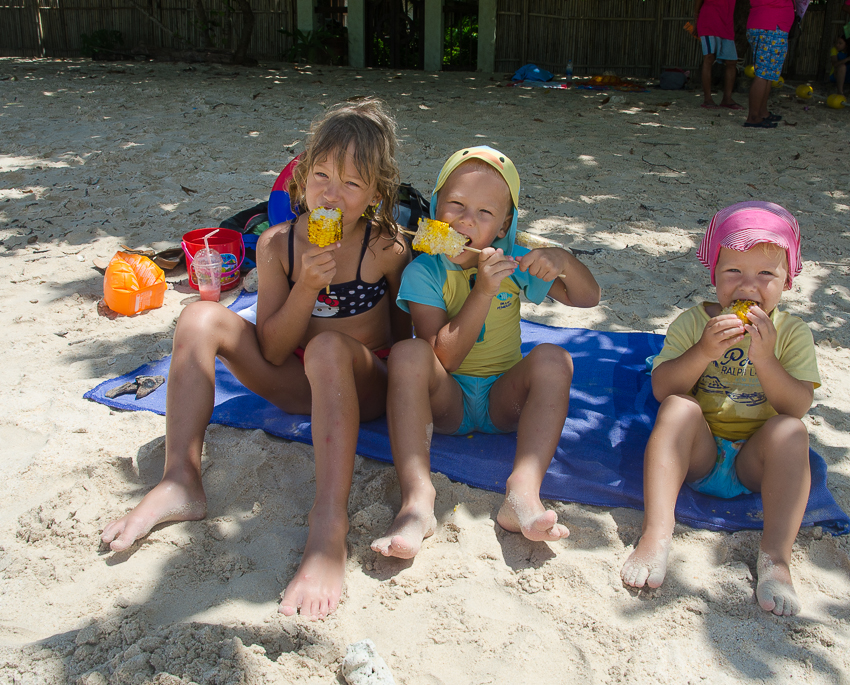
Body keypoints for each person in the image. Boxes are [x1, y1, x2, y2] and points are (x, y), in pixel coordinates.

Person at [101, 98, 412, 620]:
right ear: (300, 175)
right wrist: (306, 287)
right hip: (298, 381)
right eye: (321, 176)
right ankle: (180, 480)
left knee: (330, 345)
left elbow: (404, 343)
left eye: (352, 185)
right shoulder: (276, 246)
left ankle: (328, 524)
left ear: (377, 194)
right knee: (200, 317)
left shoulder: (385, 250)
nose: (331, 194)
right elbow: (269, 348)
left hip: (364, 387)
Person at [370, 146, 601, 559]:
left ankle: (523, 493)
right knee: (407, 353)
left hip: (503, 402)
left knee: (554, 357)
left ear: (503, 227)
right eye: (455, 205)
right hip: (447, 404)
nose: (465, 220)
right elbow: (443, 359)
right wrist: (482, 291)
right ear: (436, 208)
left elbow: (587, 298)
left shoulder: (512, 267)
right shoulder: (424, 271)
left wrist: (562, 260)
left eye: (484, 213)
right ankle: (417, 500)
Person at [621, 201, 820, 617]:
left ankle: (776, 559)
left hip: (756, 461)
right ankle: (656, 534)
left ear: (787, 281)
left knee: (791, 432)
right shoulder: (694, 324)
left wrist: (766, 361)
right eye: (734, 272)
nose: (749, 285)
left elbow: (797, 407)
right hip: (700, 453)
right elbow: (663, 388)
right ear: (713, 276)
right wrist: (703, 352)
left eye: (766, 274)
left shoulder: (792, 333)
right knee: (678, 407)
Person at [744, 0, 794, 128]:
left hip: (769, 24)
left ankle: (761, 112)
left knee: (768, 73)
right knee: (763, 73)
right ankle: (753, 116)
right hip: (770, 25)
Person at [694, 0, 742, 110]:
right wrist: (696, 18)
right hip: (709, 20)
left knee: (731, 62)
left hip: (727, 23)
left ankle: (727, 99)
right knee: (709, 57)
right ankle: (707, 99)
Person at [829, 33, 850, 97]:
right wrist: (847, 59)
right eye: (837, 42)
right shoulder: (834, 50)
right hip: (836, 76)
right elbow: (835, 64)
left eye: (840, 43)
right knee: (842, 67)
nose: (837, 45)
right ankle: (840, 92)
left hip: (848, 76)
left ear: (846, 45)